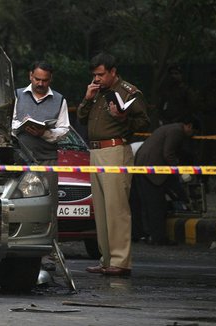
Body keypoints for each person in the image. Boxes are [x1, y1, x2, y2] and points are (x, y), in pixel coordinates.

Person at [76, 53, 150, 276]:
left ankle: (120, 261)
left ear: (113, 72)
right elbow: (80, 118)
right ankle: (106, 259)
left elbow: (144, 121)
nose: (96, 79)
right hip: (96, 151)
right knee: (101, 208)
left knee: (116, 208)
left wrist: (121, 118)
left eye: (101, 74)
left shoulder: (127, 92)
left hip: (115, 150)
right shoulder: (96, 91)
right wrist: (87, 98)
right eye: (94, 75)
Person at [11, 60, 70, 271]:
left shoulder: (59, 100)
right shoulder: (17, 95)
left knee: (49, 206)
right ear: (30, 76)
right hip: (20, 158)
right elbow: (8, 122)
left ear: (50, 80)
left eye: (44, 80)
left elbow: (64, 129)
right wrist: (22, 126)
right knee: (16, 203)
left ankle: (49, 253)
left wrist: (45, 133)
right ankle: (15, 246)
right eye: (37, 79)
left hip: (47, 159)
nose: (40, 84)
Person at [134, 117, 199, 245]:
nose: (192, 135)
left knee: (147, 204)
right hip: (153, 169)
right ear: (189, 126)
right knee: (156, 205)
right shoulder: (177, 131)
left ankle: (148, 235)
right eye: (194, 132)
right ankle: (158, 238)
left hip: (142, 165)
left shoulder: (170, 128)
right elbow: (168, 153)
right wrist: (180, 170)